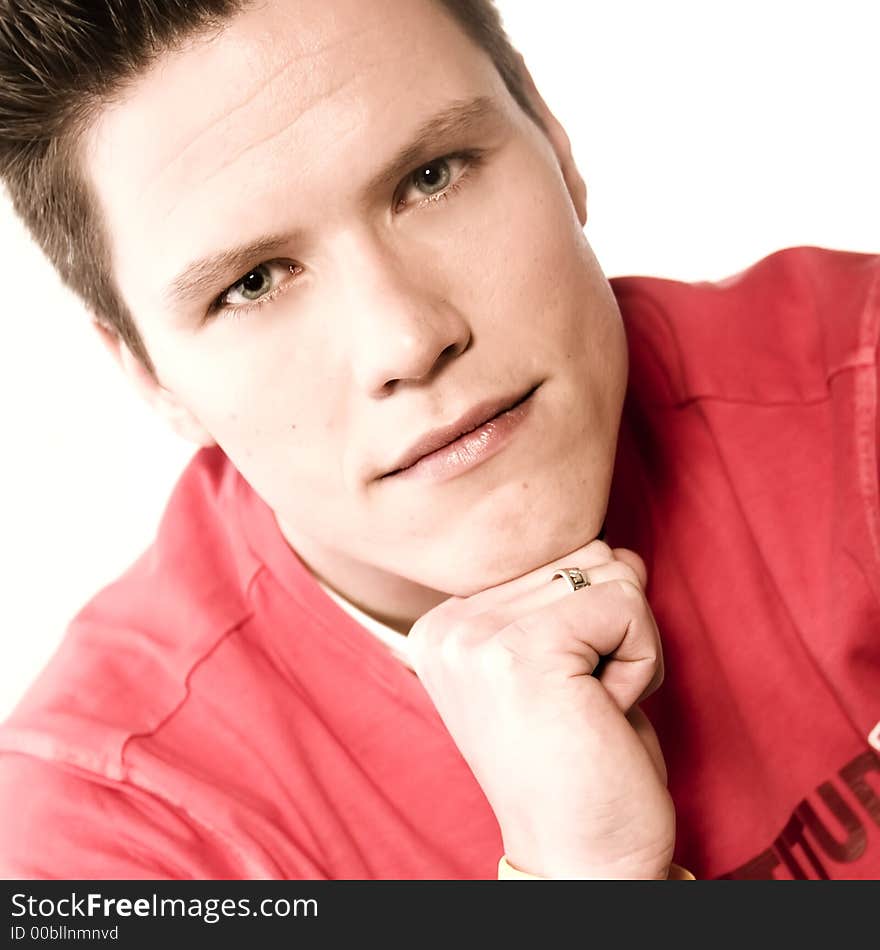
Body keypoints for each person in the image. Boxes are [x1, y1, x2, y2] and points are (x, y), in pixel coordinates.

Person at [0, 0, 877, 881]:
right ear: (149, 373)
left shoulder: (856, 378)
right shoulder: (103, 838)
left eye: (431, 177)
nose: (408, 341)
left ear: (553, 137)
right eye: (254, 283)